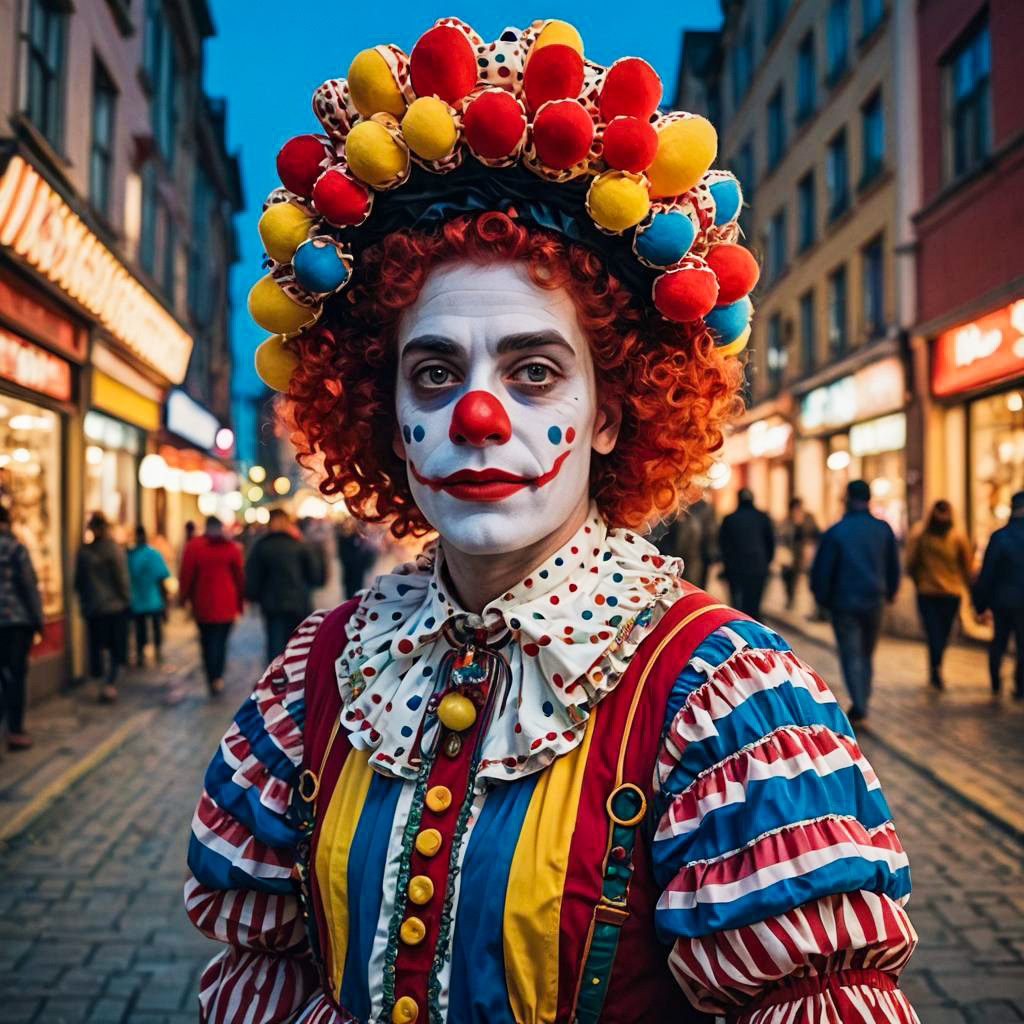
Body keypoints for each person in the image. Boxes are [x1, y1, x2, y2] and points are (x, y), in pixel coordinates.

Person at [184, 21, 918, 1023]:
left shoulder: (723, 700)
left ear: (612, 412)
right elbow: (267, 970)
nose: (476, 417)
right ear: (387, 420)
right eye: (434, 372)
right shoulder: (320, 675)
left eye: (533, 371)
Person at [810, 480, 900, 723]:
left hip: (845, 601)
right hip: (875, 599)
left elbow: (822, 571)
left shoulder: (837, 531)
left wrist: (822, 598)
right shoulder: (883, 529)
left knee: (851, 653)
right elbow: (894, 565)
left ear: (848, 498)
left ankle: (859, 701)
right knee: (867, 652)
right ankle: (863, 698)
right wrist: (891, 591)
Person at [905, 500, 972, 689]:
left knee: (938, 633)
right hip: (941, 592)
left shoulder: (927, 535)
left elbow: (911, 563)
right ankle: (936, 667)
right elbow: (966, 566)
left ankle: (936, 666)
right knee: (938, 633)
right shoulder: (952, 536)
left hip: (937, 592)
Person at [245, 508, 322, 662]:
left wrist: (253, 597)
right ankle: (294, 678)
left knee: (275, 645)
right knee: (296, 644)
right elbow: (315, 576)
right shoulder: (298, 544)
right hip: (297, 602)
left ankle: (276, 679)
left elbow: (252, 577)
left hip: (272, 604)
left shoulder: (261, 546)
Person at [179, 516, 244, 696]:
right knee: (221, 642)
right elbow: (239, 578)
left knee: (207, 641)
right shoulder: (231, 548)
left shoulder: (194, 546)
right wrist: (240, 603)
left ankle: (212, 676)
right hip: (227, 604)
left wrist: (183, 599)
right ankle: (217, 677)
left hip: (203, 603)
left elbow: (186, 575)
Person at [73, 512, 131, 703]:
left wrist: (84, 603)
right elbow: (122, 580)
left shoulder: (84, 553)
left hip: (94, 609)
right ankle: (109, 685)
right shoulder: (114, 550)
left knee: (97, 648)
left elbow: (78, 583)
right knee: (114, 649)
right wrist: (126, 601)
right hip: (113, 608)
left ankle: (103, 684)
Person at [972, 490, 1024, 698]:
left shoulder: (1000, 537)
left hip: (1002, 600)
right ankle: (1021, 686)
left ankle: (995, 681)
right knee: (1022, 644)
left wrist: (981, 603)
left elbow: (988, 573)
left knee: (999, 641)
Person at [0, 505, 43, 750]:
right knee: (16, 676)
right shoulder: (16, 548)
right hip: (15, 623)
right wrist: (38, 621)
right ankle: (15, 731)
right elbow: (29, 586)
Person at [717, 488, 775, 618]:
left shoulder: (729, 519)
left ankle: (739, 627)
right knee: (754, 604)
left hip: (735, 568)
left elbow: (722, 544)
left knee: (737, 605)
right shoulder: (763, 518)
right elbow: (771, 543)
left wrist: (726, 563)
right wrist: (766, 561)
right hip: (758, 567)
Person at [127, 525, 171, 666]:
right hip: (152, 598)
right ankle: (155, 649)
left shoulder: (132, 555)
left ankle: (142, 652)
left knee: (142, 627)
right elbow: (162, 576)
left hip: (139, 598)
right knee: (154, 625)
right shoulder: (153, 554)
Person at [657, 496, 716, 589]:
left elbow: (709, 532)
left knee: (692, 588)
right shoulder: (672, 503)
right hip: (673, 558)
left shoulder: (702, 506)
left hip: (694, 558)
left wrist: (710, 553)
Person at [778, 497, 819, 610]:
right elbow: (781, 536)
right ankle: (790, 599)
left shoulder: (807, 518)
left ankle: (810, 606)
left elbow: (815, 533)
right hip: (788, 554)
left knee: (803, 578)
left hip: (802, 553)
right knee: (787, 577)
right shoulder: (787, 520)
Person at [336, 517, 377, 599]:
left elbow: (369, 552)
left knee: (357, 586)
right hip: (350, 566)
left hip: (358, 567)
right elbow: (342, 552)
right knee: (349, 587)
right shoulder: (345, 536)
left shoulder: (362, 537)